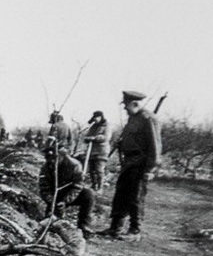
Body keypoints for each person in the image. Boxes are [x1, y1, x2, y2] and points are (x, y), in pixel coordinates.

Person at [100, 90, 162, 240]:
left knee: (135, 198)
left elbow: (155, 146)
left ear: (135, 103)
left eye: (126, 105)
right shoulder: (133, 118)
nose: (124, 108)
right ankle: (115, 227)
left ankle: (135, 231)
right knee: (120, 195)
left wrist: (150, 169)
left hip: (140, 163)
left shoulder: (149, 119)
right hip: (129, 163)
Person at [39, 139, 96, 238]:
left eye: (54, 158)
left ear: (62, 156)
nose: (51, 161)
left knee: (88, 194)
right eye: (48, 158)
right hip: (54, 196)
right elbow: (44, 188)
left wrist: (66, 201)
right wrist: (51, 200)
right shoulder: (45, 168)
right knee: (49, 223)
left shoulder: (74, 165)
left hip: (70, 193)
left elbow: (77, 186)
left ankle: (84, 226)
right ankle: (52, 224)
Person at [80, 111, 110, 192]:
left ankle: (100, 188)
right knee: (91, 170)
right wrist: (87, 138)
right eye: (94, 118)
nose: (95, 119)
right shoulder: (93, 126)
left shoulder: (106, 125)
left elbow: (106, 137)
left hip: (101, 151)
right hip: (92, 151)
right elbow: (88, 135)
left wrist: (94, 138)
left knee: (99, 170)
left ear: (101, 117)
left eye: (97, 117)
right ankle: (94, 186)